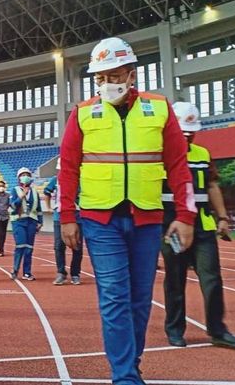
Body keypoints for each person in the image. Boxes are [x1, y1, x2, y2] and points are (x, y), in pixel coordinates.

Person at [59, 37, 195, 385]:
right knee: (115, 296)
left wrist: (185, 215)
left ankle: (130, 365)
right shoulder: (83, 113)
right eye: (100, 77)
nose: (107, 82)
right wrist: (67, 217)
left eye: (114, 74)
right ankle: (125, 377)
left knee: (139, 299)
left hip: (147, 218)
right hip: (99, 219)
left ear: (131, 74)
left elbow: (179, 166)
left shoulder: (160, 108)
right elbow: (68, 169)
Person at [161, 103, 235, 349]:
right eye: (183, 129)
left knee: (212, 278)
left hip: (201, 224)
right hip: (172, 226)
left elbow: (211, 187)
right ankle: (175, 329)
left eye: (192, 130)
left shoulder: (202, 153)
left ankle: (218, 330)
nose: (188, 134)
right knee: (175, 279)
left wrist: (222, 217)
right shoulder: (158, 154)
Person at [44, 159, 83, 286]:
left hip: (77, 216)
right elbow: (46, 192)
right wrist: (49, 207)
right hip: (58, 216)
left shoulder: (79, 180)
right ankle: (61, 272)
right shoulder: (55, 180)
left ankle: (75, 273)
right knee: (59, 246)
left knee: (77, 246)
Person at [9, 167, 43, 281]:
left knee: (29, 248)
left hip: (31, 221)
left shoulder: (34, 192)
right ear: (19, 178)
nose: (25, 176)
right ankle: (15, 270)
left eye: (27, 174)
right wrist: (21, 196)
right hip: (19, 221)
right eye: (23, 175)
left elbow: (38, 208)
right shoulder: (15, 190)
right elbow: (13, 206)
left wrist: (40, 222)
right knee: (20, 245)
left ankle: (27, 272)